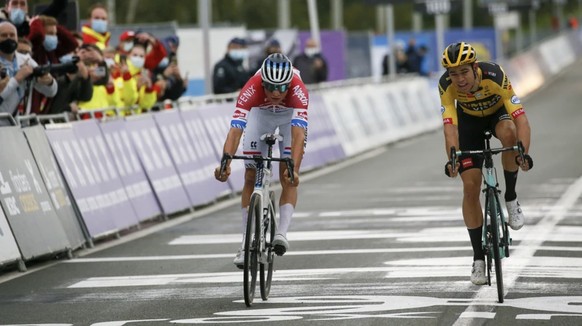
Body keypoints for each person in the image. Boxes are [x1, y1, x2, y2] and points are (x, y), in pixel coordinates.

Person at [439, 42, 533, 285]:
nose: (459, 79)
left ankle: (510, 198)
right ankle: (478, 258)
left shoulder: (496, 75)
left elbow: (521, 119)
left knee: (510, 134)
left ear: (475, 67)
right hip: (468, 122)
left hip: (496, 115)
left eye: (464, 72)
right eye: (453, 74)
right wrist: (452, 158)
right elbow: (450, 126)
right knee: (470, 187)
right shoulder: (446, 86)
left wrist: (523, 153)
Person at [214, 53, 309, 268]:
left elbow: (298, 135)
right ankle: (245, 244)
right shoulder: (252, 88)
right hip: (261, 115)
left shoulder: (299, 91)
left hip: (289, 117)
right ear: (262, 82)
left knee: (288, 175)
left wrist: (293, 167)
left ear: (289, 85)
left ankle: (282, 233)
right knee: (250, 176)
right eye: (270, 87)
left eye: (281, 88)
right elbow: (235, 130)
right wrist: (225, 162)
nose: (276, 92)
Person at [0, 21, 56, 124]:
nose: (9, 38)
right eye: (3, 35)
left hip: (21, 124)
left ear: (17, 38)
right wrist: (17, 79)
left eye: (12, 35)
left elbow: (51, 92)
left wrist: (49, 81)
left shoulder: (26, 59)